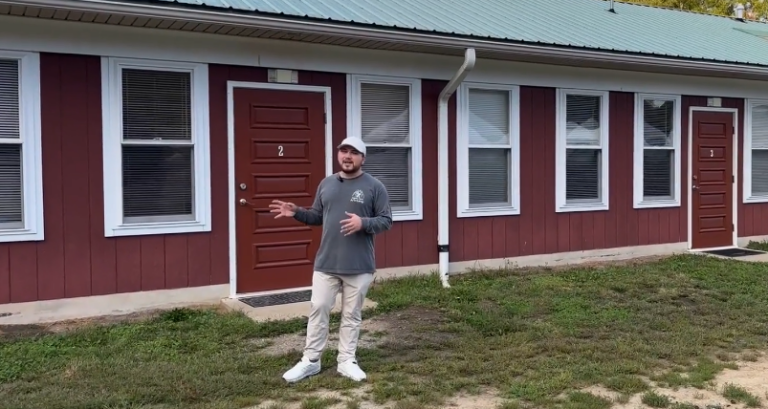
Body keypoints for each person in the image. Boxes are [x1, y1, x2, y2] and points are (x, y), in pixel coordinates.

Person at [269, 137, 392, 383]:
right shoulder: (326, 184)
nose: (347, 156)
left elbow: (386, 220)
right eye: (344, 151)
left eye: (353, 152)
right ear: (338, 155)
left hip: (359, 265)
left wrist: (363, 223)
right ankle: (311, 361)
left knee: (351, 315)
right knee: (319, 309)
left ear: (363, 158)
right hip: (326, 264)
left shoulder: (374, 186)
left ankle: (346, 361)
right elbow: (317, 216)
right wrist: (297, 212)